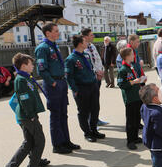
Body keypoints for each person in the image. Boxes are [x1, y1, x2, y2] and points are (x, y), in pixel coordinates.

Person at [0, 54, 46, 167]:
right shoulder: (21, 79)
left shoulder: (26, 77)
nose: (33, 66)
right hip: (28, 117)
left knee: (28, 143)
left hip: (28, 116)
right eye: (31, 64)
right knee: (39, 141)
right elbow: (24, 98)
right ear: (24, 65)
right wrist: (31, 115)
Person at [35, 23, 79, 154]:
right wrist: (52, 82)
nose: (58, 33)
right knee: (55, 115)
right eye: (55, 31)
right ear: (48, 33)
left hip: (61, 82)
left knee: (63, 114)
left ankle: (66, 141)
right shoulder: (42, 48)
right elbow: (41, 69)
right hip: (53, 84)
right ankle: (57, 144)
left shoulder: (55, 46)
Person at [65, 35, 105, 143]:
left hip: (92, 85)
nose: (87, 42)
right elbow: (69, 77)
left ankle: (94, 130)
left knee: (95, 109)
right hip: (81, 88)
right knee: (84, 112)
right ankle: (87, 133)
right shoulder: (71, 59)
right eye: (84, 41)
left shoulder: (86, 55)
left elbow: (90, 69)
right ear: (79, 44)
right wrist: (75, 90)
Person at [118, 48, 144, 150]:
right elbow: (121, 84)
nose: (134, 56)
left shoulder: (132, 67)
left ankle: (135, 136)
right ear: (127, 56)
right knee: (131, 120)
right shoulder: (123, 70)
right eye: (132, 54)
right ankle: (130, 140)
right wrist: (133, 82)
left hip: (137, 96)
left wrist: (141, 80)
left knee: (137, 118)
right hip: (130, 98)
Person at [82, 28, 108, 127]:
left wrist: (101, 71)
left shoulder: (92, 46)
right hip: (91, 77)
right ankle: (91, 121)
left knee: (95, 100)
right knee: (89, 101)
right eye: (91, 35)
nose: (93, 36)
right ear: (85, 36)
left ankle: (96, 118)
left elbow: (97, 59)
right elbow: (87, 64)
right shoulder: (82, 48)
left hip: (98, 76)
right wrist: (96, 72)